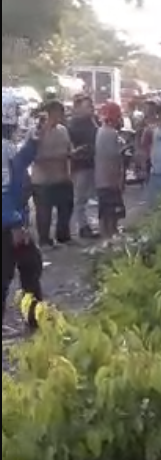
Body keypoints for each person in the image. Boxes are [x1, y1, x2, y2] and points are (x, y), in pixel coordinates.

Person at [3, 92, 44, 330]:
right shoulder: (3, 147)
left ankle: (35, 317)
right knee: (16, 271)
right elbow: (4, 189)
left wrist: (35, 139)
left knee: (30, 266)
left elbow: (19, 163)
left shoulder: (7, 146)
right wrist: (16, 223)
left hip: (12, 220)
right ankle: (34, 318)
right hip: (8, 223)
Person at [31, 100, 74, 246]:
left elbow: (68, 149)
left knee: (66, 207)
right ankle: (44, 240)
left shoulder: (62, 130)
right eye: (58, 113)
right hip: (42, 179)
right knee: (44, 212)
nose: (61, 117)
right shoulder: (37, 131)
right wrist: (56, 158)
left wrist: (71, 155)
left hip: (61, 177)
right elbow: (33, 155)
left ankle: (63, 235)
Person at [67, 94, 99, 239]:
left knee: (93, 197)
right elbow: (69, 149)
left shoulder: (93, 122)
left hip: (94, 163)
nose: (91, 109)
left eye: (91, 106)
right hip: (80, 165)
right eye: (87, 106)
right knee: (80, 199)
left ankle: (92, 225)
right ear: (78, 107)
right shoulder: (72, 125)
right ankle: (82, 227)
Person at [94, 102, 127, 237]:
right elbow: (114, 156)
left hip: (102, 177)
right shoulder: (111, 133)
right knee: (111, 211)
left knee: (105, 209)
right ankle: (109, 236)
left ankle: (107, 235)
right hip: (110, 178)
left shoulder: (100, 131)